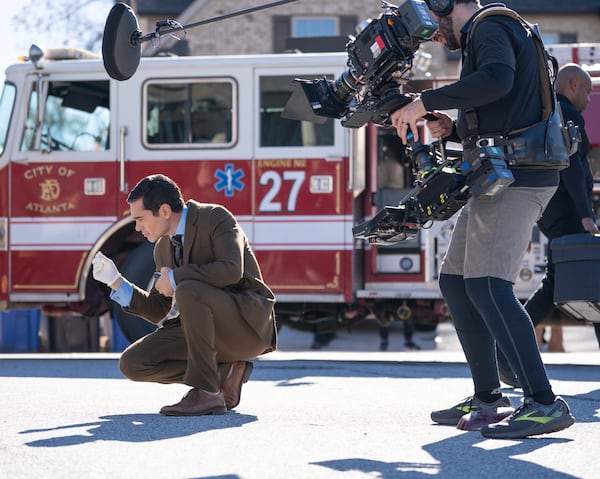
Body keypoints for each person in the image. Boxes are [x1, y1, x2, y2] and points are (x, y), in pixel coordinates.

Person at [390, 0, 575, 439]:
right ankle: (489, 397)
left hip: (519, 179)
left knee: (489, 285)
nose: (433, 35)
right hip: (501, 175)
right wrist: (452, 128)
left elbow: (496, 80)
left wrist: (424, 101)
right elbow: (506, 103)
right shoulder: (491, 29)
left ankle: (544, 403)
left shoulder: (489, 25)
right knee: (456, 280)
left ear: (445, 4)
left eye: (432, 23)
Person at [92, 174, 277, 415]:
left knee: (189, 288)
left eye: (140, 219)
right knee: (133, 363)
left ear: (165, 211)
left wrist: (177, 278)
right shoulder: (162, 248)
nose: (137, 227)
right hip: (203, 330)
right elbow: (159, 309)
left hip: (245, 327)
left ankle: (206, 391)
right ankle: (227, 372)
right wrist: (116, 282)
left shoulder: (215, 218)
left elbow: (231, 270)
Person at [498, 64, 600, 384]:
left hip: (550, 210)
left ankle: (506, 354)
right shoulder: (567, 113)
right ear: (571, 84)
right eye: (586, 89)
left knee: (561, 284)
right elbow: (572, 167)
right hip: (567, 212)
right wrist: (586, 214)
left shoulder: (548, 112)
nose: (589, 98)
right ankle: (505, 354)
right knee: (593, 279)